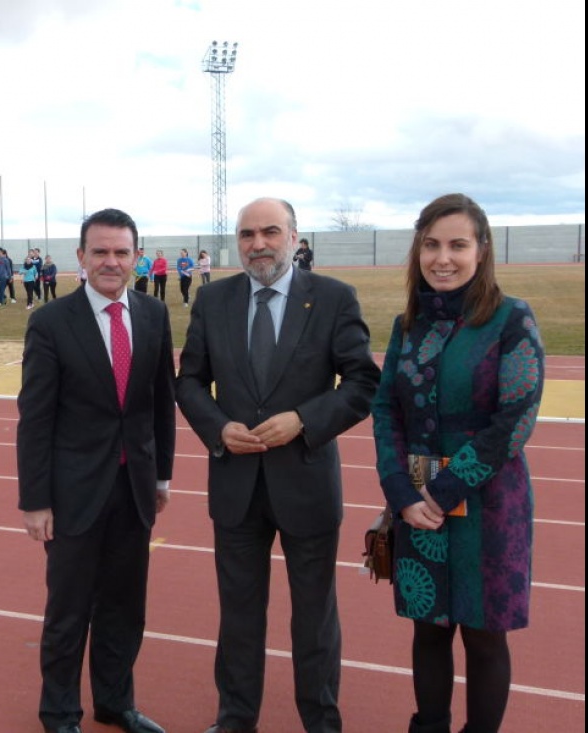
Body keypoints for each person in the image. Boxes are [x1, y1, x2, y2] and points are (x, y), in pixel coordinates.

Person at [175, 197, 381, 733]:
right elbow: (189, 380)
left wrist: (304, 421)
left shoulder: (333, 298)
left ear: (294, 237)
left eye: (270, 232)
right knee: (239, 617)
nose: (258, 244)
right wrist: (218, 427)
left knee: (314, 619)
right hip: (236, 486)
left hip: (306, 482)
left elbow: (362, 383)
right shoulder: (213, 299)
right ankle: (236, 718)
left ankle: (321, 720)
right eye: (247, 234)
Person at [369, 193, 544, 733]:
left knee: (485, 634)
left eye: (458, 245)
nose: (443, 258)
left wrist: (441, 493)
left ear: (482, 250)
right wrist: (400, 492)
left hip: (489, 505)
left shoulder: (511, 319)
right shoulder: (408, 324)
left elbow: (514, 419)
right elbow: (384, 409)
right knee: (429, 628)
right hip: (417, 505)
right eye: (431, 245)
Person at [17, 207, 177, 733]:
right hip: (73, 495)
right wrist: (35, 500)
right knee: (68, 614)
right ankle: (60, 713)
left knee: (125, 608)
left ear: (136, 257)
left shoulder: (153, 315)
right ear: (81, 257)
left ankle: (116, 702)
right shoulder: (50, 322)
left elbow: (159, 404)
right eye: (100, 251)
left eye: (121, 252)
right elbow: (36, 419)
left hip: (133, 491)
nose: (111, 261)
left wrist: (161, 478)